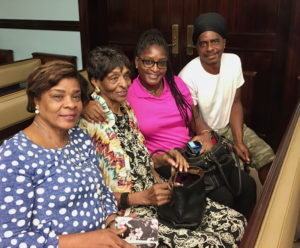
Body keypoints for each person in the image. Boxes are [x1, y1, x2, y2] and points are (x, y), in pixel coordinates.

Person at [79, 46, 247, 248]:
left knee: (237, 223)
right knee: (212, 244)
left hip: (156, 195)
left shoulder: (127, 110)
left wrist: (162, 160)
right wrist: (138, 198)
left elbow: (138, 160)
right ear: (96, 82)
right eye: (114, 78)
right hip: (125, 213)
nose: (124, 84)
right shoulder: (88, 126)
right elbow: (89, 194)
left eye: (125, 76)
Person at [0, 61, 132, 248]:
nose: (71, 104)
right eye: (58, 97)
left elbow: (101, 191)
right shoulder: (14, 155)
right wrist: (94, 239)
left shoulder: (80, 137)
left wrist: (112, 221)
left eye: (76, 96)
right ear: (36, 100)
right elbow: (10, 240)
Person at [178, 12, 275, 184]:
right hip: (205, 134)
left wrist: (238, 141)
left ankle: (271, 208)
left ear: (224, 42)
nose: (210, 48)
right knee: (234, 175)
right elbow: (195, 120)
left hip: (231, 126)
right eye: (203, 44)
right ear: (197, 47)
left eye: (215, 41)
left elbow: (236, 104)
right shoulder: (187, 76)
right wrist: (224, 144)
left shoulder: (234, 62)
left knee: (268, 160)